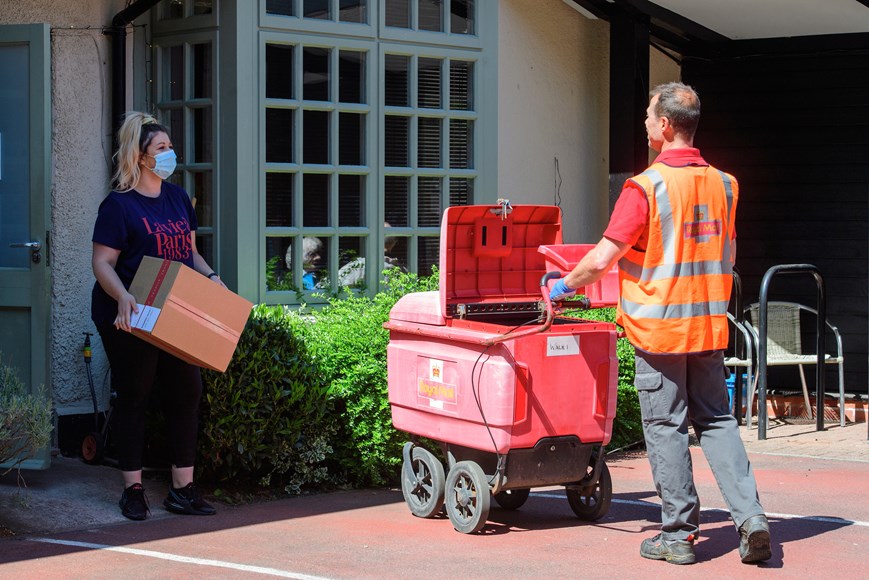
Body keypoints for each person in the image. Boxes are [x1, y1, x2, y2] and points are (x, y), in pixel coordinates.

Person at [549, 82, 771, 565]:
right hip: (707, 327)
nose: (646, 124)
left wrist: (561, 287)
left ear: (665, 126)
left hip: (659, 333)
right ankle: (751, 518)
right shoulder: (726, 185)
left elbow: (603, 259)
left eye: (649, 117)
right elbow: (728, 253)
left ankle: (678, 536)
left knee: (667, 427)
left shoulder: (645, 187)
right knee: (717, 421)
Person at [91, 112, 222, 521]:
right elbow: (102, 262)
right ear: (141, 157)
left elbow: (190, 252)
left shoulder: (178, 198)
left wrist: (212, 277)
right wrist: (123, 297)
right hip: (130, 310)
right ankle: (133, 490)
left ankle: (183, 489)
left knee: (187, 391)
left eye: (170, 147)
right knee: (136, 393)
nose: (169, 154)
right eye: (161, 148)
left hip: (172, 308)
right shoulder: (118, 205)